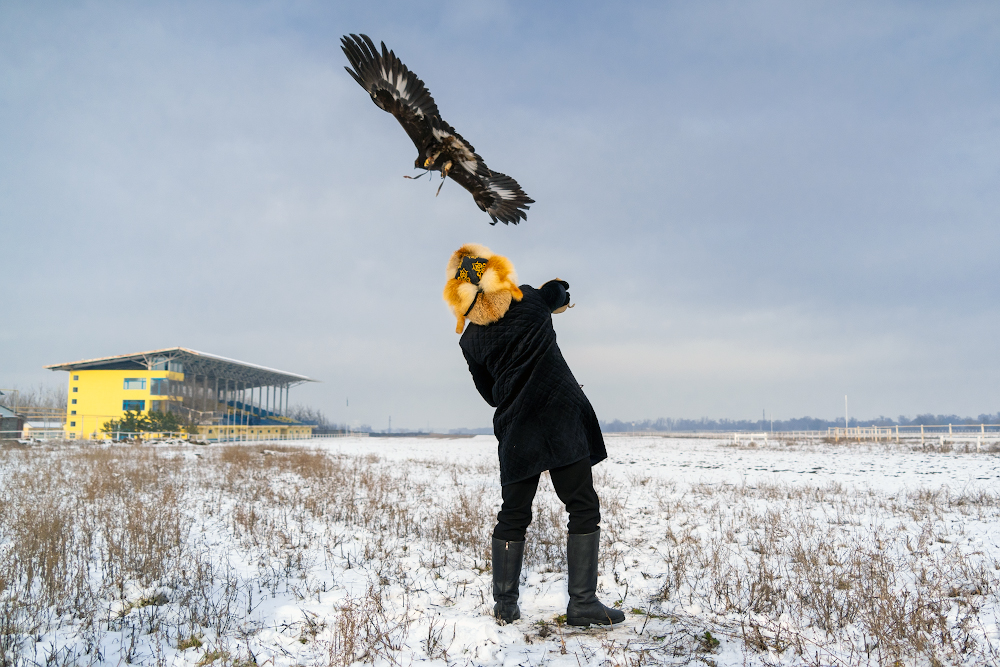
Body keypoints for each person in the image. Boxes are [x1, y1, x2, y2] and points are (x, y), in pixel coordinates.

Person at [443, 243, 625, 627]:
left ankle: (505, 606)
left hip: (517, 429)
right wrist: (555, 293)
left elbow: (490, 393)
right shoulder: (529, 301)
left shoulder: (469, 340)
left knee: (513, 516)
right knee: (582, 505)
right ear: (497, 274)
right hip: (560, 417)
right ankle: (582, 604)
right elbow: (559, 291)